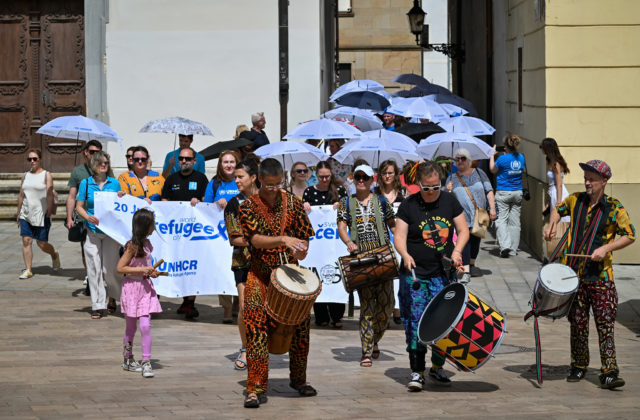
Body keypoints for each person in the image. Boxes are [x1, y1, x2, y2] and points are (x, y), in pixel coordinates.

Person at [545, 160, 635, 390]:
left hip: (601, 277)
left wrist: (606, 248)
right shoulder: (576, 200)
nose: (587, 182)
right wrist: (552, 224)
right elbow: (558, 209)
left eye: (592, 179)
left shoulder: (614, 207)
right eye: (586, 177)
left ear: (604, 181)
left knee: (605, 323)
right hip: (574, 274)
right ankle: (579, 365)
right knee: (578, 322)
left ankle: (609, 372)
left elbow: (630, 235)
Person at [238, 158, 317, 408]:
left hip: (289, 274)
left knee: (301, 330)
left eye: (277, 184)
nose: (273, 189)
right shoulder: (247, 206)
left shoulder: (293, 203)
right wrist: (284, 239)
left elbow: (304, 238)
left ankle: (299, 380)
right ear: (259, 179)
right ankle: (256, 387)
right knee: (256, 332)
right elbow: (255, 240)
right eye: (269, 185)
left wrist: (302, 249)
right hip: (260, 277)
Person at [394, 160, 468, 391]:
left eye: (435, 187)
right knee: (415, 323)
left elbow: (464, 230)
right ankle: (417, 372)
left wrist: (457, 252)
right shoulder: (408, 205)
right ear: (418, 184)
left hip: (441, 274)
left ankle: (437, 367)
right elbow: (399, 236)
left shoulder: (449, 202)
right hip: (414, 276)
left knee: (443, 322)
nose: (431, 192)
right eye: (426, 188)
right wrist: (405, 254)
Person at [337, 164, 396, 368]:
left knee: (387, 305)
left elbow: (394, 225)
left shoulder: (381, 201)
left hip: (382, 256)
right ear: (353, 178)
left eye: (365, 177)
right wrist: (348, 242)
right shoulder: (346, 203)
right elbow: (342, 226)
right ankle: (367, 350)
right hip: (361, 258)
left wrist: (404, 244)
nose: (361, 180)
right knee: (367, 307)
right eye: (358, 176)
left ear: (372, 180)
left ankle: (374, 339)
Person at [161, 146, 209, 319]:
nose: (184, 161)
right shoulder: (171, 178)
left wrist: (200, 202)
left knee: (191, 266)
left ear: (194, 161)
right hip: (174, 232)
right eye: (181, 158)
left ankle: (190, 303)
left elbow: (207, 203)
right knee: (175, 264)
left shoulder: (202, 179)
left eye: (188, 159)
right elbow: (164, 201)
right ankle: (176, 297)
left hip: (193, 232)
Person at [76, 151, 123, 319]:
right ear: (94, 164)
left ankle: (113, 297)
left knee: (109, 269)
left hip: (110, 232)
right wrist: (87, 217)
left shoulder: (115, 183)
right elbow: (79, 206)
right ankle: (98, 305)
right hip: (92, 231)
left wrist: (121, 198)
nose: (104, 165)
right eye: (101, 162)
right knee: (94, 268)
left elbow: (120, 206)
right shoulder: (85, 184)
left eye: (106, 162)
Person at [116, 208, 162, 378]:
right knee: (131, 327)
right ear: (145, 226)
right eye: (152, 223)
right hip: (132, 289)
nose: (154, 226)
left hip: (145, 288)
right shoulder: (132, 246)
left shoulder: (148, 245)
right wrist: (143, 269)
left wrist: (151, 272)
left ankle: (146, 362)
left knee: (145, 325)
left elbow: (145, 268)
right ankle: (127, 358)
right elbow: (120, 268)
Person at [223, 158, 260, 371]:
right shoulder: (233, 204)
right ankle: (246, 348)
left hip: (269, 261)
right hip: (243, 261)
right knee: (245, 306)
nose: (236, 180)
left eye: (240, 177)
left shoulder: (268, 199)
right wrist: (259, 239)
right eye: (235, 177)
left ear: (253, 177)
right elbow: (234, 238)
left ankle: (263, 346)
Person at [302, 161, 348, 328]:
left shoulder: (340, 190)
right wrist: (305, 205)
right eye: (321, 176)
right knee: (317, 273)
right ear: (316, 175)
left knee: (336, 273)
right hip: (317, 244)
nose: (324, 179)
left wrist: (340, 205)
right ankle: (321, 315)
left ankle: (337, 316)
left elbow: (347, 209)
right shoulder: (309, 191)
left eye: (327, 176)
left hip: (335, 242)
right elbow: (304, 215)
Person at [445, 148, 496, 282]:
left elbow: (489, 190)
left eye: (463, 158)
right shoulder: (451, 178)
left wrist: (492, 208)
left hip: (481, 213)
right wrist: (447, 190)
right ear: (455, 162)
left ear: (468, 160)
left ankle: (472, 263)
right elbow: (445, 198)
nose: (460, 161)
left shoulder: (479, 173)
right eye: (457, 159)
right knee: (465, 240)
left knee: (476, 240)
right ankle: (466, 270)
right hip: (462, 215)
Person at [204, 150, 241, 323]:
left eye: (232, 162)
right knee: (223, 270)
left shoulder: (241, 180)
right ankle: (227, 309)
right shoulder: (214, 183)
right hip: (220, 236)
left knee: (240, 268)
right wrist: (215, 204)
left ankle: (237, 306)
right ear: (220, 165)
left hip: (240, 232)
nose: (228, 165)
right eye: (225, 162)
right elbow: (205, 208)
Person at [16, 148, 61, 279]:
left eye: (34, 159)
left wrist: (50, 208)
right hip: (26, 212)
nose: (32, 161)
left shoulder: (46, 175)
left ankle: (54, 255)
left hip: (42, 213)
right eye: (29, 159)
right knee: (26, 240)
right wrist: (18, 213)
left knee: (41, 243)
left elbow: (49, 193)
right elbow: (21, 195)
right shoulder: (25, 175)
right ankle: (28, 269)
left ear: (40, 159)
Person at [66, 140, 103, 293]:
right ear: (86, 152)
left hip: (101, 218)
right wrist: (69, 217)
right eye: (93, 152)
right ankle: (91, 278)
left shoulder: (104, 168)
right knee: (87, 251)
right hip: (83, 218)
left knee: (102, 252)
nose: (96, 155)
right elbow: (71, 196)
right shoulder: (78, 172)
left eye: (98, 151)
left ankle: (99, 278)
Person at [374, 159, 405, 324]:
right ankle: (385, 309)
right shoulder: (374, 193)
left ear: (396, 174)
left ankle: (398, 309)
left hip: (398, 240)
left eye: (390, 173)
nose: (387, 176)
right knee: (383, 277)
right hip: (379, 241)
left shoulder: (403, 193)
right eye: (384, 173)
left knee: (399, 275)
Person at [490, 134, 526, 258]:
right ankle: (513, 250)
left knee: (501, 220)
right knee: (515, 222)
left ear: (506, 146)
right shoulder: (521, 157)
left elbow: (492, 170)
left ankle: (505, 246)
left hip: (503, 192)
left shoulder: (502, 159)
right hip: (517, 192)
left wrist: (491, 156)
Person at [540, 137, 571, 259]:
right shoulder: (551, 161)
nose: (541, 150)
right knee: (555, 222)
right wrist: (548, 201)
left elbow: (559, 184)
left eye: (542, 147)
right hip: (553, 192)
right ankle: (557, 250)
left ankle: (560, 250)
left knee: (560, 221)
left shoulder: (556, 163)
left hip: (559, 193)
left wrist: (558, 203)